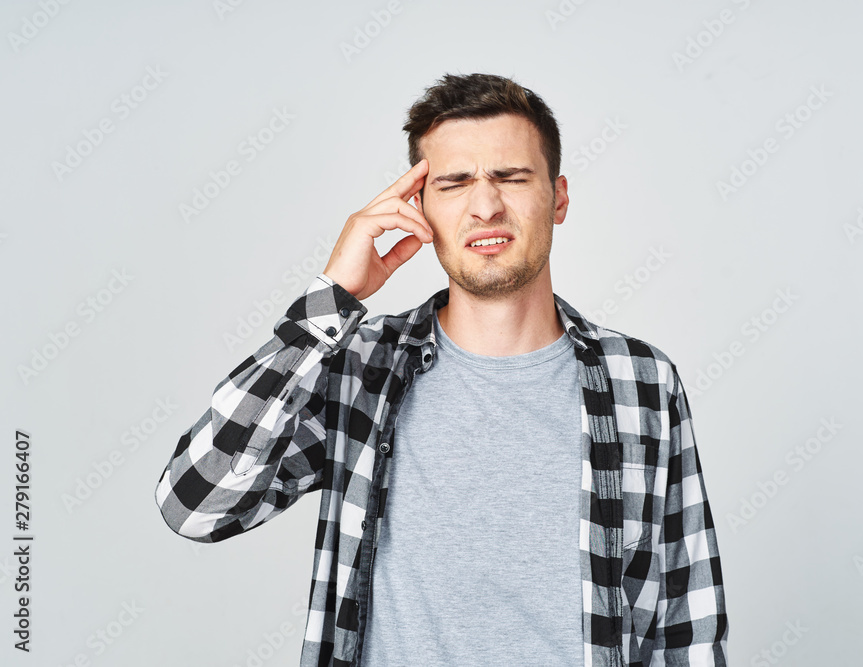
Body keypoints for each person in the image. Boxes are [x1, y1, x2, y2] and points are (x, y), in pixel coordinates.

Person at [155, 72, 729, 667]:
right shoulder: (360, 365)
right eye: (454, 183)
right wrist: (333, 302)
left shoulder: (641, 380)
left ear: (558, 198)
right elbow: (195, 504)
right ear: (418, 209)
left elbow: (687, 623)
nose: (486, 205)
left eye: (511, 177)